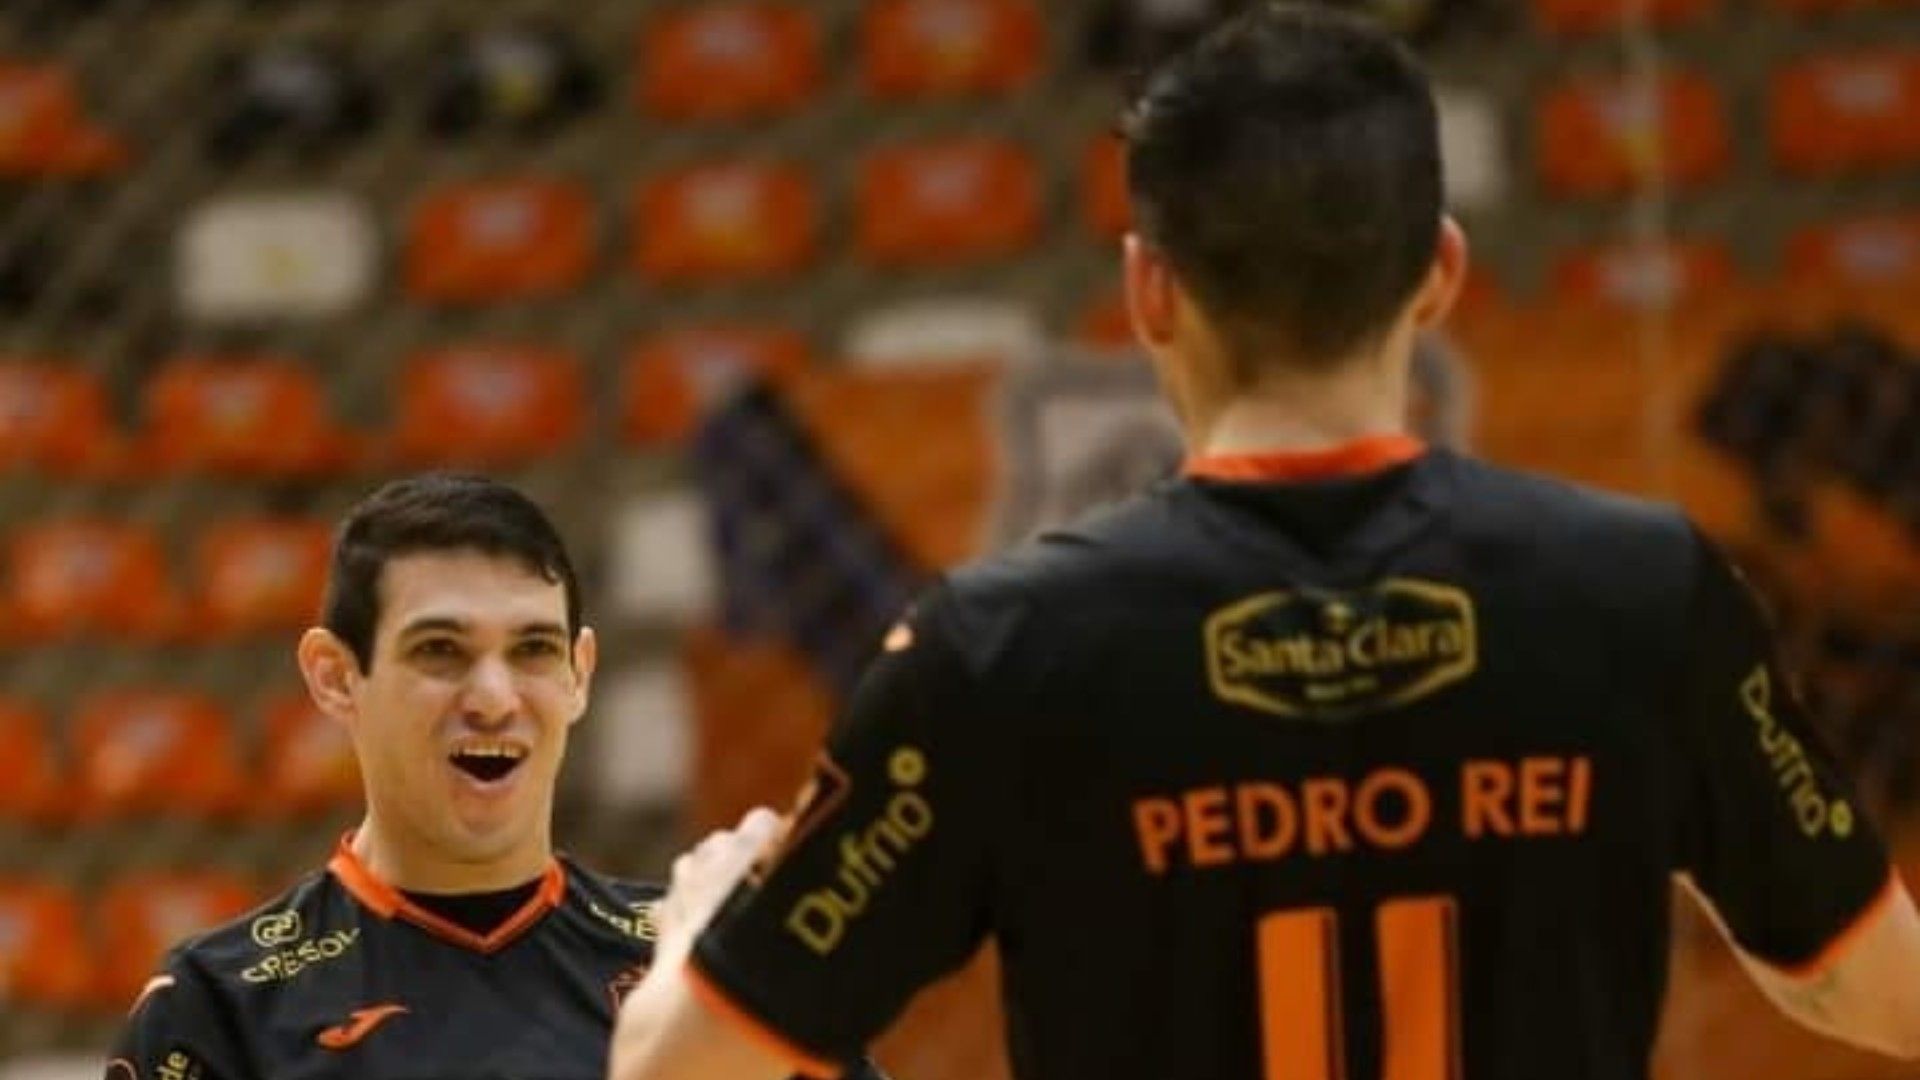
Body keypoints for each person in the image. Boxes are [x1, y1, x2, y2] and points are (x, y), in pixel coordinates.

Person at [607, 5, 1920, 1079]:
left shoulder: (1000, 653)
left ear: (1147, 287)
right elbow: (1875, 988)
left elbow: (685, 1073)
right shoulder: (1645, 595)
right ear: (1443, 273)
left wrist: (698, 926)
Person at [104, 473, 885, 1080]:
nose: (493, 698)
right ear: (337, 677)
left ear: (580, 674)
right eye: (439, 651)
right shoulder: (222, 1006)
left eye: (533, 650)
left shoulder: (701, 965)